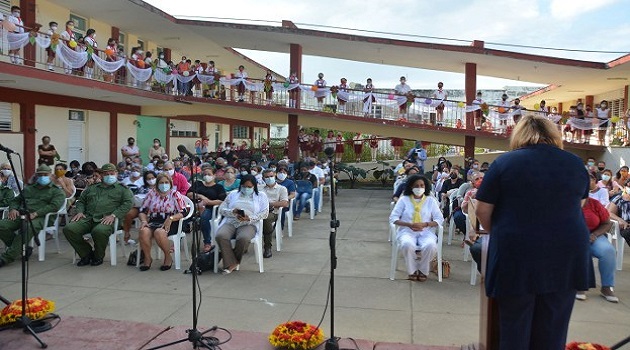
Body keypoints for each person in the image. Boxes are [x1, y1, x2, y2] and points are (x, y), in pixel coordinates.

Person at [475, 114, 591, 349]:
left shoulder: (505, 163)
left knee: (514, 326)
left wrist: (496, 231)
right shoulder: (576, 163)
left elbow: (482, 209)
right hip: (565, 253)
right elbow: (579, 204)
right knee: (554, 327)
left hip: (518, 252)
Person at [64, 163, 133, 267]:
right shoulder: (93, 188)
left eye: (112, 173)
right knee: (69, 229)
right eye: (106, 174)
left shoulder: (122, 189)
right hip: (87, 218)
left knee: (99, 231)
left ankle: (98, 256)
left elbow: (128, 203)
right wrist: (80, 211)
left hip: (107, 219)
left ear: (116, 174)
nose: (109, 176)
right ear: (101, 175)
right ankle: (86, 253)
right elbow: (81, 201)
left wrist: (114, 215)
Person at [0, 165, 65, 268]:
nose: (42, 176)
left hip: (42, 217)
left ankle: (6, 258)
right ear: (36, 175)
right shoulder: (29, 188)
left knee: (28, 227)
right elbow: (16, 200)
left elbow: (54, 206)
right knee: (2, 225)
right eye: (40, 175)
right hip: (22, 214)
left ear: (50, 176)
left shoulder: (56, 191)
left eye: (45, 174)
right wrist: (13, 209)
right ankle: (22, 247)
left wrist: (36, 213)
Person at [389, 175, 444, 281]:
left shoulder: (430, 201)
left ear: (425, 187)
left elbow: (439, 219)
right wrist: (409, 224)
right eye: (416, 185)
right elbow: (393, 218)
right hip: (407, 231)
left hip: (426, 231)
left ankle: (423, 270)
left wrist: (426, 224)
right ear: (410, 187)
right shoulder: (404, 200)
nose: (419, 188)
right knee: (407, 244)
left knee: (431, 246)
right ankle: (412, 270)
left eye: (422, 185)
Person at [215, 175, 269, 274]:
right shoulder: (233, 194)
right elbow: (222, 209)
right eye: (244, 186)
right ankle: (232, 262)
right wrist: (233, 212)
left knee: (243, 238)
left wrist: (250, 218)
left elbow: (265, 213)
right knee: (220, 235)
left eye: (249, 187)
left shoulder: (261, 196)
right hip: (231, 221)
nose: (246, 189)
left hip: (248, 223)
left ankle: (231, 262)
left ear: (254, 186)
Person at [136, 173, 188, 271]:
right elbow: (142, 211)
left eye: (166, 182)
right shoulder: (152, 193)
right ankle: (147, 258)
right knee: (143, 231)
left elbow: (183, 212)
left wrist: (171, 218)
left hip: (171, 222)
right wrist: (143, 220)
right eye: (161, 182)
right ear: (157, 183)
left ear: (170, 183)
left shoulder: (175, 194)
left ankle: (168, 257)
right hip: (154, 221)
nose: (164, 185)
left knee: (159, 232)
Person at [577, 190, 618, 302]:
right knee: (580, 251)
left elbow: (607, 223)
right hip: (574, 237)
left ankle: (606, 287)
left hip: (594, 235)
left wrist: (595, 235)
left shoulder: (594, 203)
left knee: (608, 251)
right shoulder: (566, 203)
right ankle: (579, 285)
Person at [187, 166, 226, 253]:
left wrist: (207, 202)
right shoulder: (198, 184)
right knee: (182, 216)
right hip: (195, 206)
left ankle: (207, 242)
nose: (206, 176)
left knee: (204, 218)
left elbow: (221, 201)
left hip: (210, 208)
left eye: (209, 174)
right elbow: (189, 194)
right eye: (205, 174)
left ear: (214, 175)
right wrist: (201, 196)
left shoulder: (218, 187)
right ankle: (175, 239)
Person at [259, 169, 289, 258]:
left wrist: (269, 204)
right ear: (263, 178)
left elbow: (284, 203)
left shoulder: (282, 189)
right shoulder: (260, 188)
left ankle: (267, 247)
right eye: (267, 177)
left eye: (271, 176)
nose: (269, 178)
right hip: (258, 211)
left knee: (266, 219)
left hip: (273, 212)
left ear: (275, 176)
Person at [122, 170, 156, 244]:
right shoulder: (142, 188)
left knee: (148, 216)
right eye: (148, 179)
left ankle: (145, 236)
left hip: (152, 209)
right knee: (128, 214)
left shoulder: (159, 188)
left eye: (153, 178)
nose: (151, 180)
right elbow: (136, 197)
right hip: (140, 207)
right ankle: (127, 233)